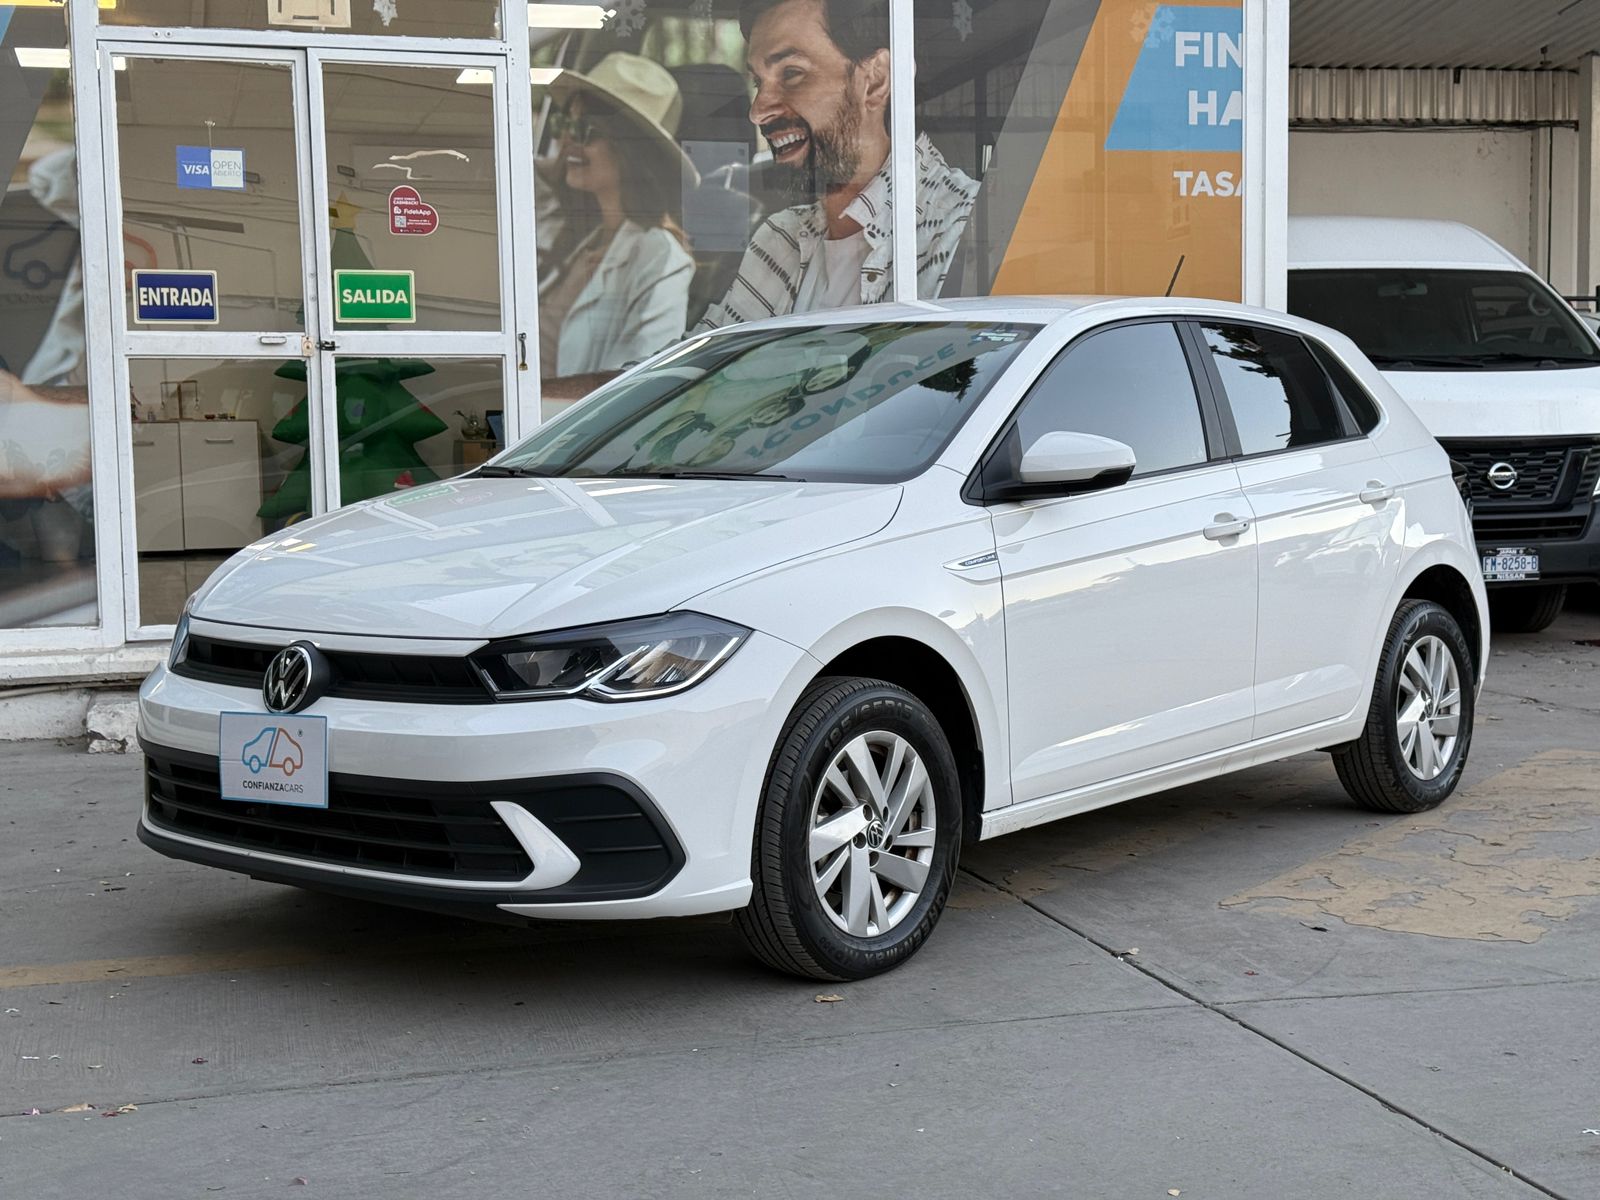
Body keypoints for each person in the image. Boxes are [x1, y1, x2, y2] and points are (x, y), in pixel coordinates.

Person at [696, 0, 978, 330]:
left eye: (791, 73)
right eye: (759, 81)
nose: (758, 111)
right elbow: (703, 368)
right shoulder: (780, 238)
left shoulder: (967, 228)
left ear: (875, 81)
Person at [536, 53, 699, 378]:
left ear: (629, 151)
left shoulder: (661, 258)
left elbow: (636, 382)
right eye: (563, 124)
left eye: (584, 130)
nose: (566, 140)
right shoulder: (580, 237)